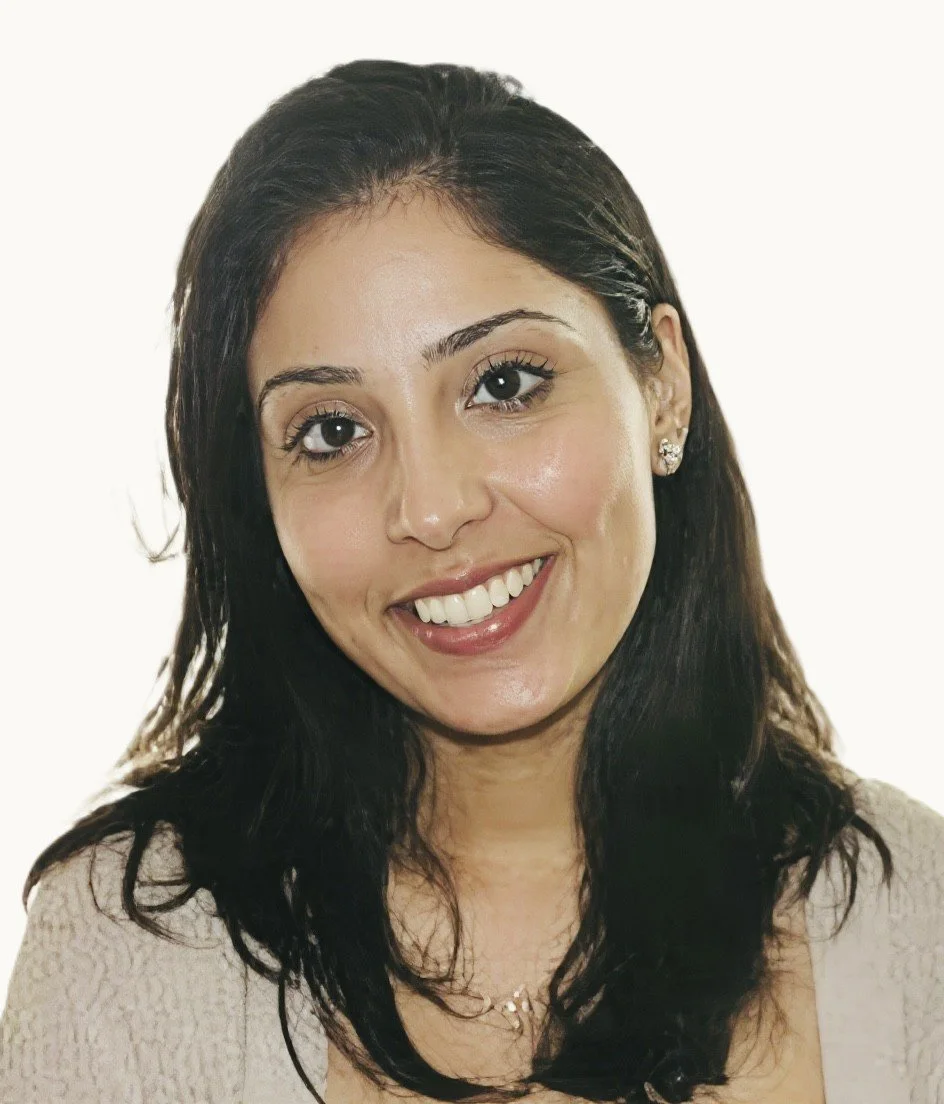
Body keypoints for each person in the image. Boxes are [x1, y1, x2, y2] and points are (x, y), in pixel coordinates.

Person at [0, 59, 941, 1104]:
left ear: (659, 385)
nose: (432, 508)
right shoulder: (127, 955)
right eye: (332, 431)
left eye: (502, 383)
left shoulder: (919, 926)